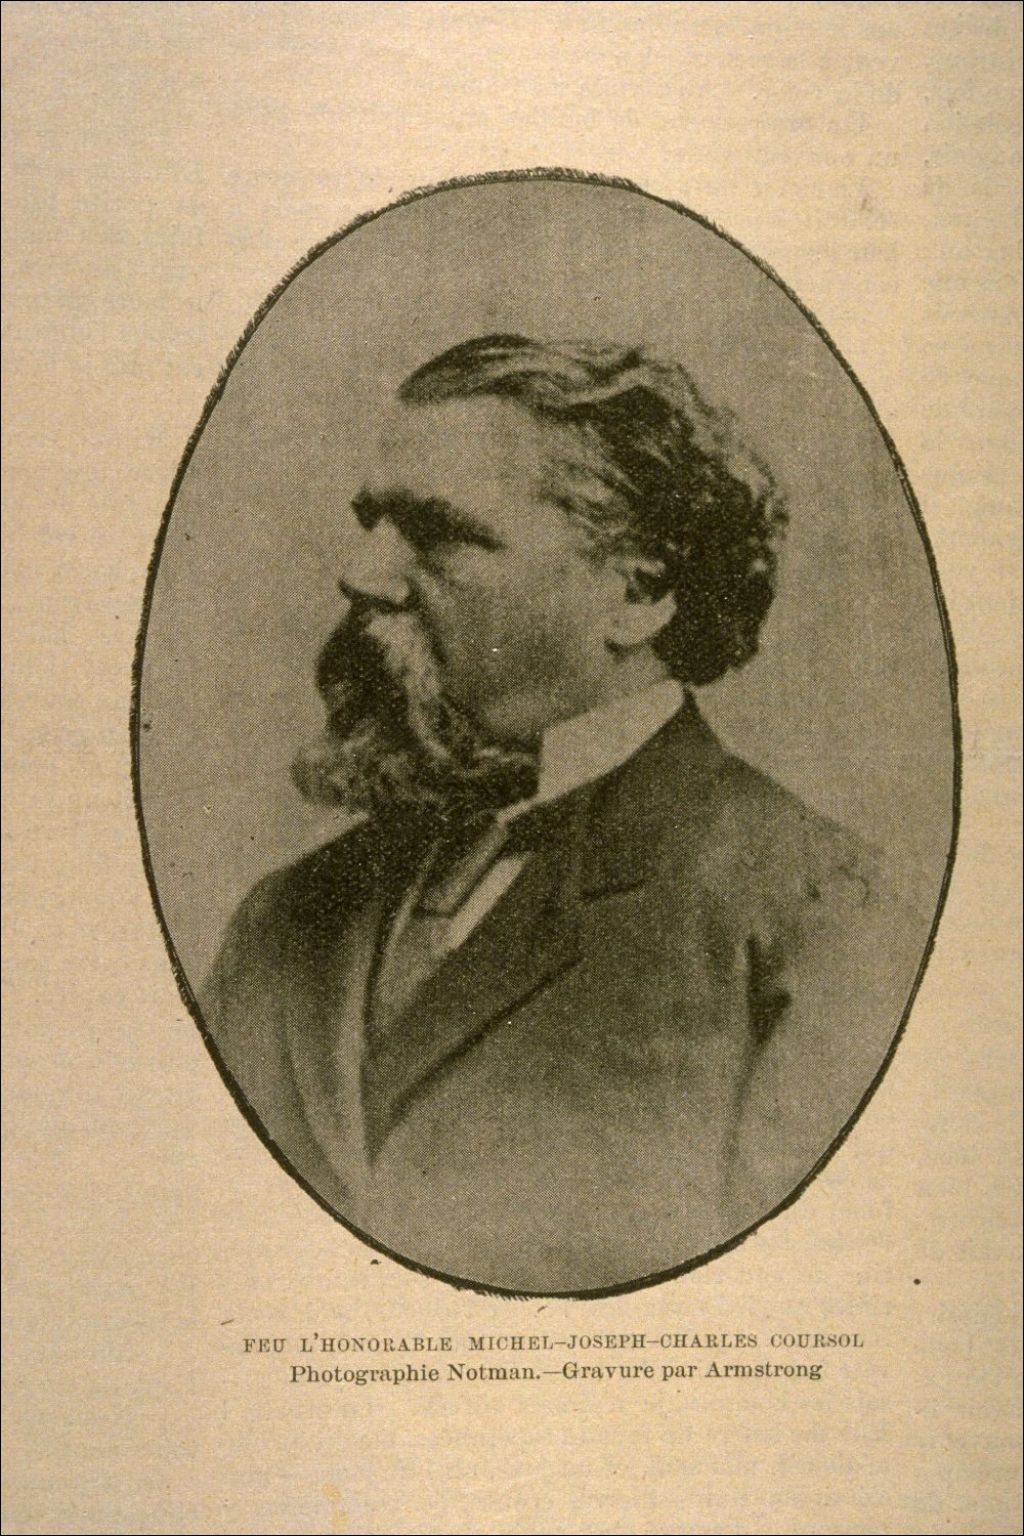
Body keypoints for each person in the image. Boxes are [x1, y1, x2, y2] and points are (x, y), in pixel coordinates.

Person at [200, 334, 922, 1293]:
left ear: (639, 594)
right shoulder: (283, 919)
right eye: (373, 521)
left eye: (437, 532)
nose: (363, 575)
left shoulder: (813, 912)